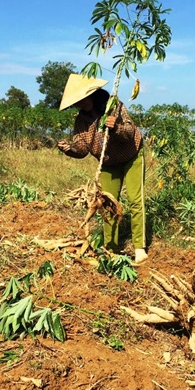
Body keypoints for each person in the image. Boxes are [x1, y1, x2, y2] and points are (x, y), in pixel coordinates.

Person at [57, 74, 148, 265]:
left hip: (131, 156)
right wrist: (70, 149)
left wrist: (116, 127)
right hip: (107, 163)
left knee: (135, 200)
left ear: (92, 94)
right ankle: (111, 249)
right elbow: (82, 148)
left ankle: (140, 248)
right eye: (77, 102)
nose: (81, 104)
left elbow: (130, 132)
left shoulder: (113, 105)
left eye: (83, 99)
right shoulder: (81, 121)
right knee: (107, 205)